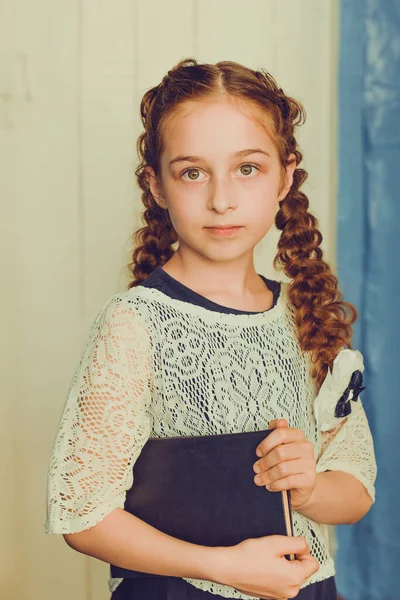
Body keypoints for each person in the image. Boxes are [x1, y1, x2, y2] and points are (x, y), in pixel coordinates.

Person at [44, 58, 377, 600]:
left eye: (247, 168)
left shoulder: (308, 316)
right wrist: (224, 566)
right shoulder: (136, 324)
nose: (222, 199)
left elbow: (357, 489)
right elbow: (82, 515)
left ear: (285, 177)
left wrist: (309, 487)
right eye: (192, 172)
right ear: (156, 185)